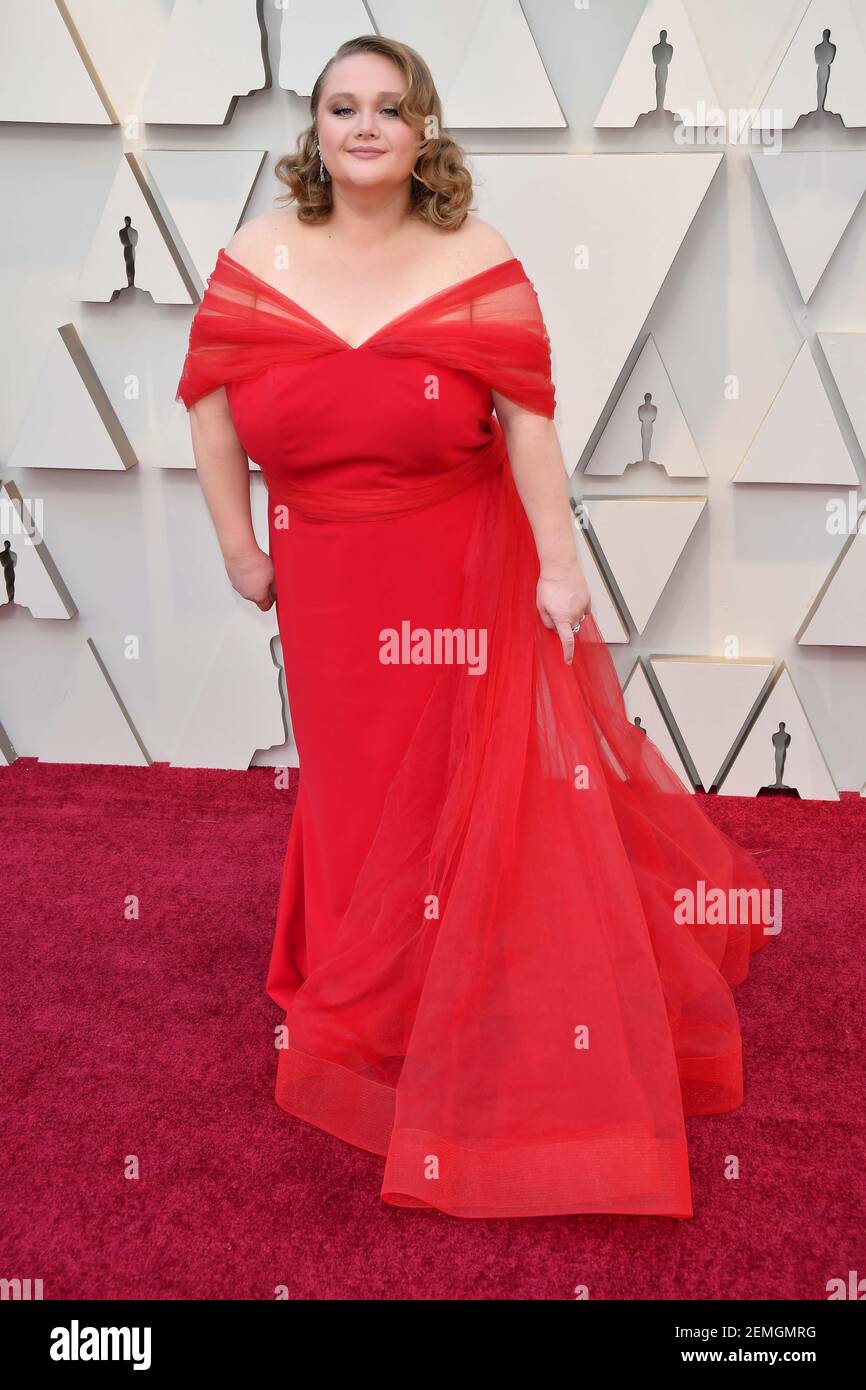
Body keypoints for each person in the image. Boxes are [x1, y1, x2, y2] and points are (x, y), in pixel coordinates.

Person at [176, 35, 772, 1219]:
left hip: (457, 568)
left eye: (387, 109)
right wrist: (238, 547)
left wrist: (560, 569)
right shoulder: (254, 255)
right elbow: (209, 411)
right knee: (351, 785)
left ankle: (458, 982)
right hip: (324, 568)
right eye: (340, 108)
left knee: (455, 778)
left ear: (423, 130)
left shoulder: (477, 256)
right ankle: (356, 981)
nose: (362, 126)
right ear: (316, 131)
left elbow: (527, 424)